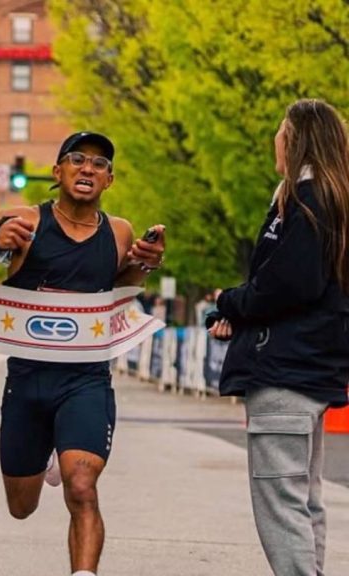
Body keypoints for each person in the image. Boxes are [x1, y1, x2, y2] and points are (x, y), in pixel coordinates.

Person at [0, 132, 164, 576]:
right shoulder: (27, 221)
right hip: (27, 380)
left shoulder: (118, 231)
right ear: (57, 173)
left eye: (99, 164)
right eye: (77, 159)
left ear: (110, 180)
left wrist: (147, 262)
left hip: (87, 379)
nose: (87, 169)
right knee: (21, 506)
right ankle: (45, 455)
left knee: (81, 487)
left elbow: (124, 287)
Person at [208, 99, 349, 576]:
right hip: (311, 368)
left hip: (285, 371)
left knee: (283, 505)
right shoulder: (333, 200)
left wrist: (231, 301)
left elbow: (289, 284)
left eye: (280, 129)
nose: (275, 138)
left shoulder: (308, 203)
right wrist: (242, 315)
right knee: (304, 503)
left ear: (295, 138)